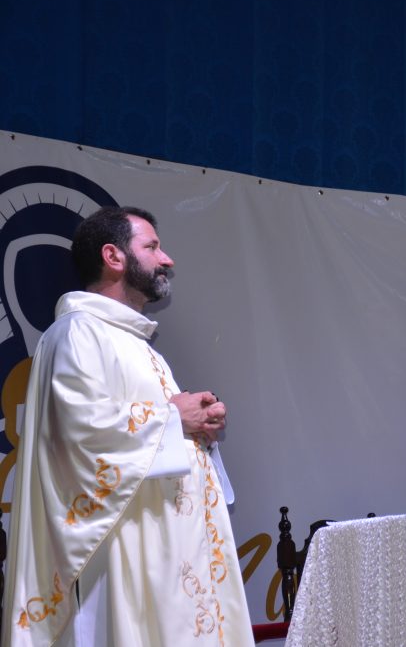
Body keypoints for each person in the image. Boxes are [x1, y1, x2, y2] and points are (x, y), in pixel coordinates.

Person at [2, 207, 254, 646]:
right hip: (121, 563)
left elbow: (153, 437)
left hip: (168, 560)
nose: (167, 259)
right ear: (113, 257)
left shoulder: (143, 349)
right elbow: (82, 438)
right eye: (152, 247)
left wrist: (198, 429)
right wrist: (175, 419)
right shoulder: (77, 333)